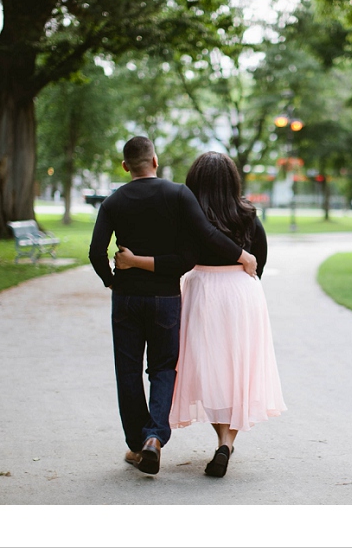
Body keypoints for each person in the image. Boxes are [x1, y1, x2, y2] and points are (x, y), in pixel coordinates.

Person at [89, 137, 258, 476]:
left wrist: (113, 281)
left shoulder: (112, 202)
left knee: (128, 371)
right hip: (165, 298)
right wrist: (242, 255)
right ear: (154, 160)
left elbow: (96, 253)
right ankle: (155, 436)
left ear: (125, 166)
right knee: (164, 368)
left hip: (126, 299)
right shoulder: (178, 195)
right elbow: (199, 242)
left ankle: (138, 444)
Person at [114, 151, 286, 478]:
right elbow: (260, 258)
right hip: (242, 292)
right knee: (236, 371)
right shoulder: (248, 214)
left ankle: (190, 440)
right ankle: (225, 444)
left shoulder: (187, 215)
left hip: (203, 291)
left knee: (211, 371)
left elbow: (180, 257)